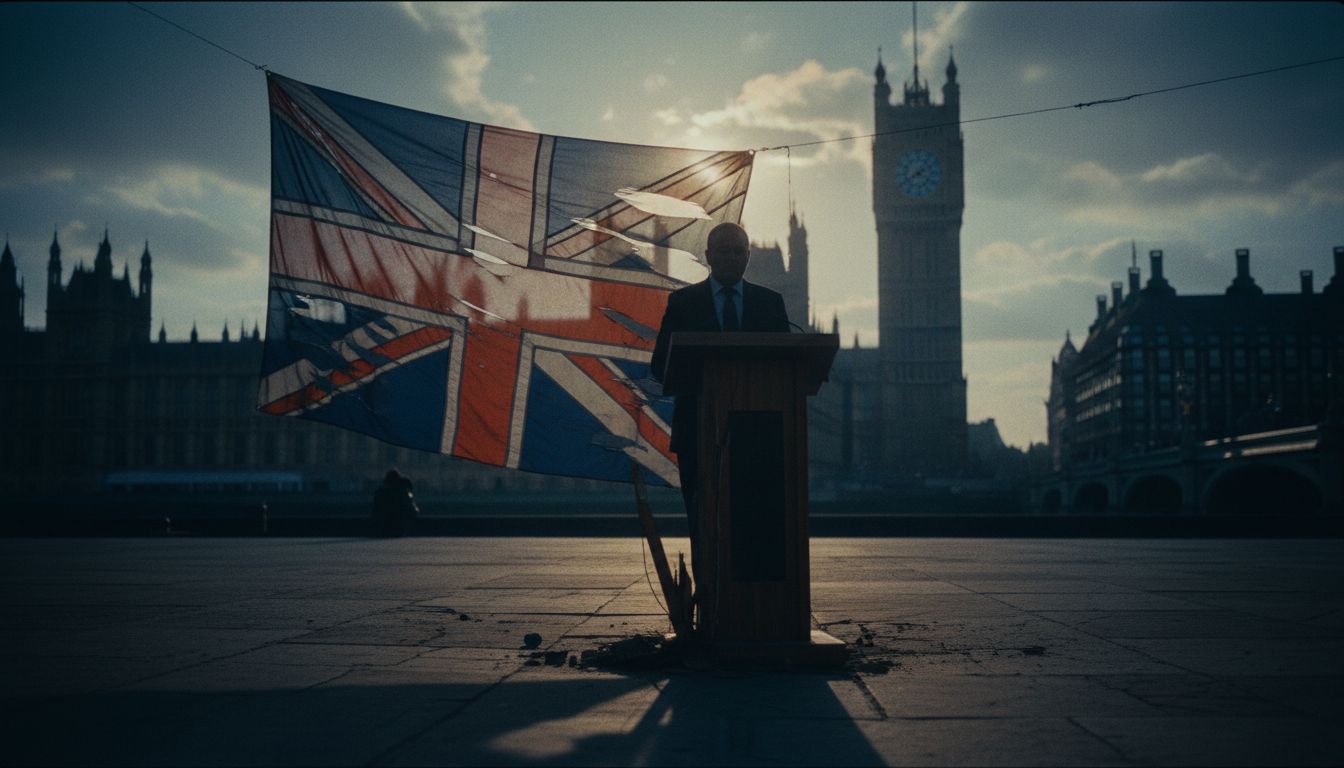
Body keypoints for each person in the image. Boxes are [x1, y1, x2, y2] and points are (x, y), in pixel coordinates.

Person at [651, 222, 790, 568]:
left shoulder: (770, 303)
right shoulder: (683, 303)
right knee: (703, 520)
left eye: (737, 251)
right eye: (723, 251)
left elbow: (788, 367)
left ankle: (754, 611)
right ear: (709, 256)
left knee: (757, 526)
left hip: (758, 434)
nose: (730, 257)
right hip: (698, 431)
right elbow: (659, 366)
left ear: (748, 256)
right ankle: (708, 606)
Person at [372, 468, 419, 537]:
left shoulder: (380, 492)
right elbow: (413, 510)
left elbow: (375, 511)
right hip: (400, 527)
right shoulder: (403, 492)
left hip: (383, 528)